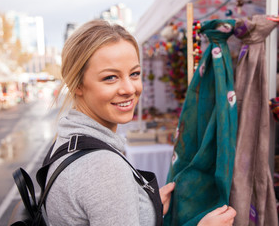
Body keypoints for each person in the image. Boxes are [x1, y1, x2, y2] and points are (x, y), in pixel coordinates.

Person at [47, 19, 236, 226]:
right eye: (110, 77)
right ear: (77, 85)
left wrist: (147, 207)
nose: (129, 88)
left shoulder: (67, 140)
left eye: (134, 74)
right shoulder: (103, 168)